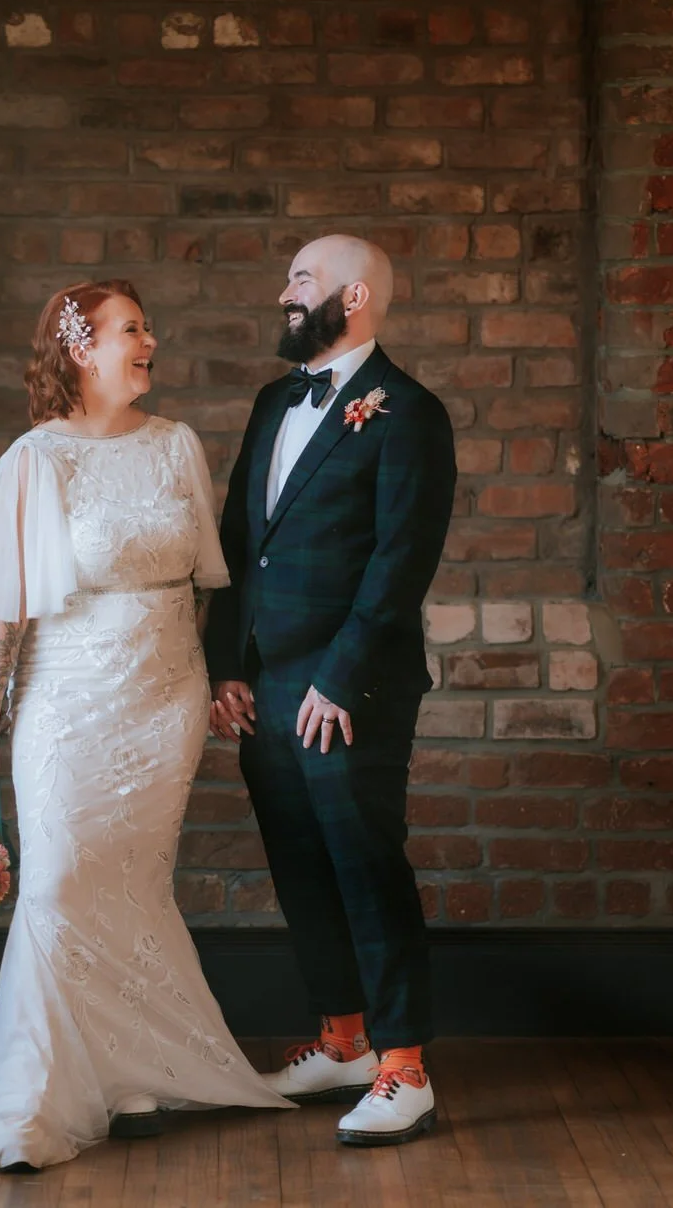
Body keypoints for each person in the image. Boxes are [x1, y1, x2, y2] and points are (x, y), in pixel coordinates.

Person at [0, 279, 291, 1173]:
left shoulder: (176, 446)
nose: (148, 342)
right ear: (80, 348)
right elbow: (4, 620)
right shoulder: (33, 462)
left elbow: (209, 584)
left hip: (166, 699)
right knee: (62, 884)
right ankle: (33, 1105)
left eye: (148, 329)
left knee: (134, 883)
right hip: (67, 701)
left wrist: (218, 676)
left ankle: (130, 1079)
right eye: (129, 331)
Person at [204, 235, 456, 1148]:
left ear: (351, 297)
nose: (283, 293)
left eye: (299, 280)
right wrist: (226, 665)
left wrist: (339, 678)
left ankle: (404, 1068)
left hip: (355, 687)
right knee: (299, 868)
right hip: (266, 683)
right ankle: (343, 1040)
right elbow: (239, 540)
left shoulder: (409, 413)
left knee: (364, 866)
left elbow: (400, 564)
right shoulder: (275, 400)